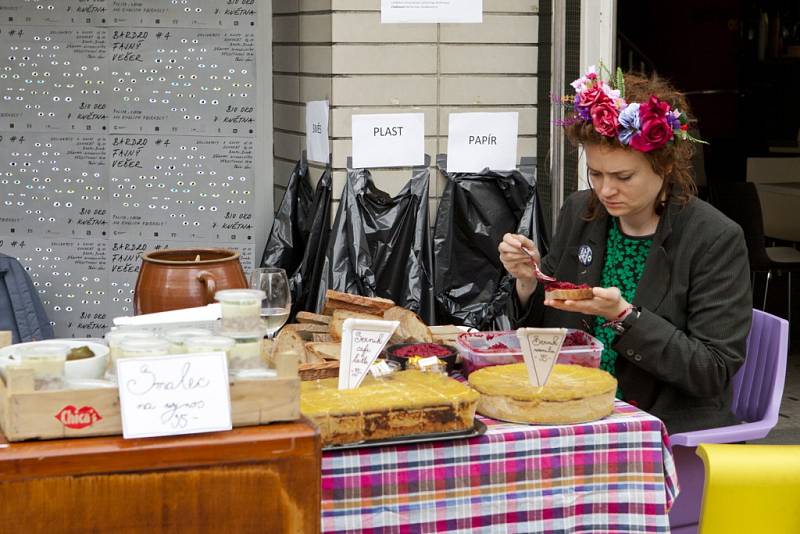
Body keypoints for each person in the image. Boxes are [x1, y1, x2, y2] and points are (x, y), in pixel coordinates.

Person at [498, 68, 752, 434]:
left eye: (623, 177)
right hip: (576, 406)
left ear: (664, 166)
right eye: (596, 174)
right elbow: (548, 325)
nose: (605, 191)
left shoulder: (714, 238)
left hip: (662, 425)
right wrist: (527, 280)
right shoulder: (580, 211)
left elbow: (710, 370)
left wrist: (624, 317)